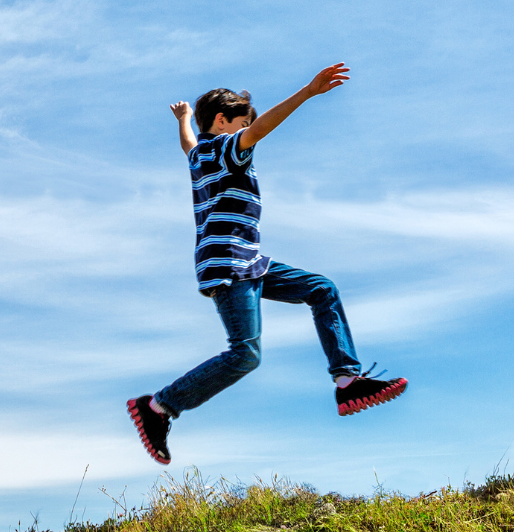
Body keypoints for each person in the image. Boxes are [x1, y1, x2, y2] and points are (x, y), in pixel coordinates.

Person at [127, 64, 408, 465]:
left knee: (321, 288)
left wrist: (185, 118)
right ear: (223, 122)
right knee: (245, 354)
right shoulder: (227, 149)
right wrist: (308, 93)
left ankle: (347, 381)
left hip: (249, 261)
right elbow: (258, 131)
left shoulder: (199, 155)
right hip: (230, 265)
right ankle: (157, 407)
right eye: (242, 124)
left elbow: (188, 143)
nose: (248, 134)